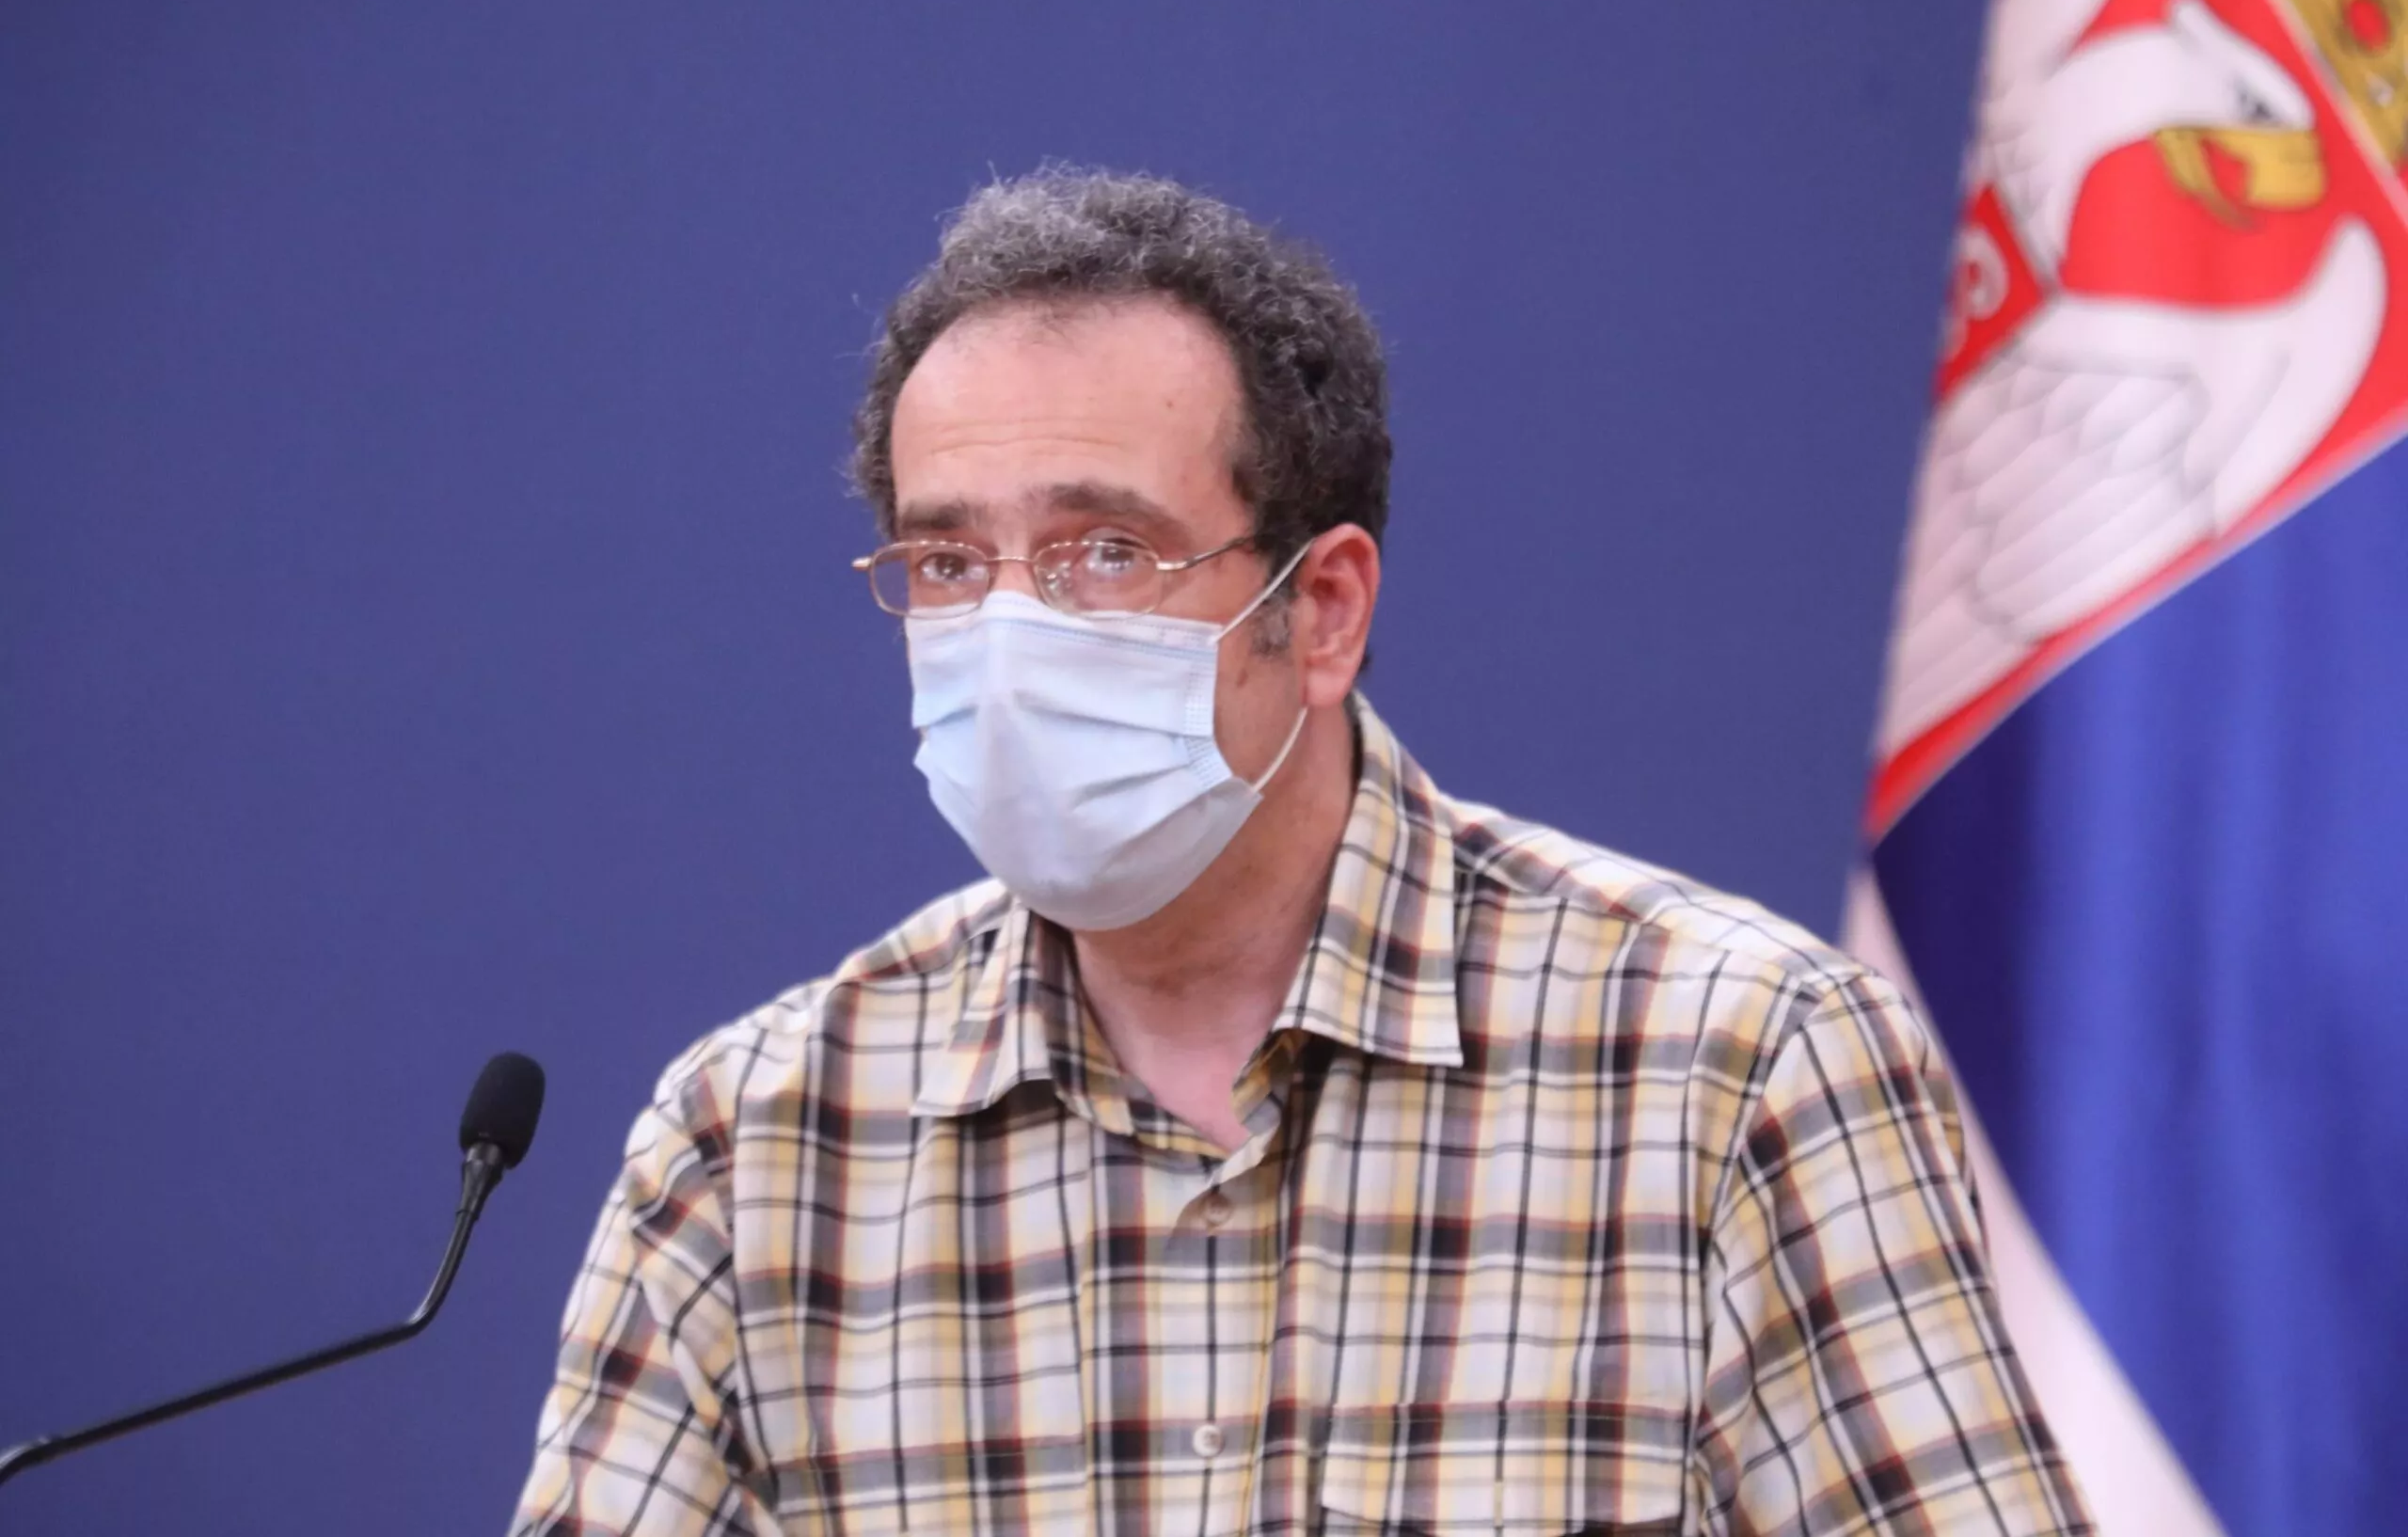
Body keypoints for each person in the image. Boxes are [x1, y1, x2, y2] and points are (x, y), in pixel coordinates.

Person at [510, 167, 2090, 1536]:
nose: (1008, 634)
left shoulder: (1735, 1066)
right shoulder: (759, 1146)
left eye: (1103, 550)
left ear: (1322, 610)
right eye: (947, 561)